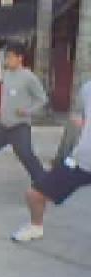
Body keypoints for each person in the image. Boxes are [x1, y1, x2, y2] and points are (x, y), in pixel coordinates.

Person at [12, 81, 91, 242]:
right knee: (34, 195)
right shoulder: (87, 88)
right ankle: (35, 227)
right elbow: (79, 114)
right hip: (81, 160)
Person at [0, 43, 48, 183]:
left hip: (19, 126)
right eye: (6, 57)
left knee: (26, 155)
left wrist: (27, 111)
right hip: (2, 125)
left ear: (20, 58)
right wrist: (0, 107)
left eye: (9, 57)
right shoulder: (7, 74)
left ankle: (44, 183)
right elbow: (7, 95)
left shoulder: (29, 77)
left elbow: (42, 99)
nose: (6, 60)